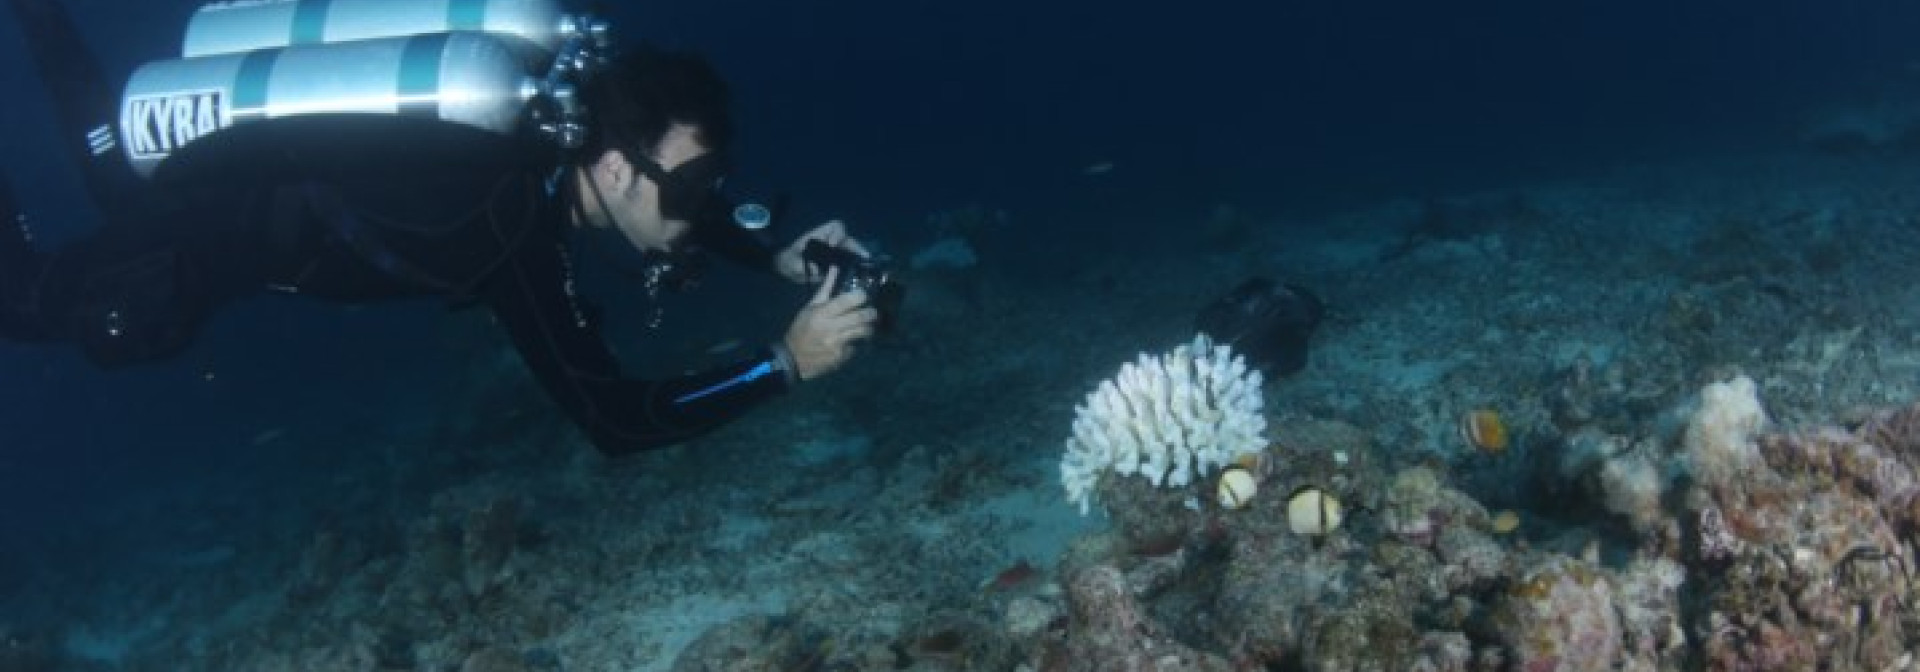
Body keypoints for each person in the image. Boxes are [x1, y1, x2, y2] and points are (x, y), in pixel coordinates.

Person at [0, 7, 879, 457]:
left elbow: (668, 201)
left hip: (213, 170)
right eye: (696, 187)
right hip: (179, 247)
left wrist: (771, 251)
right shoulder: (501, 220)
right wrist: (784, 363)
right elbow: (616, 423)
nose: (706, 207)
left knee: (108, 163)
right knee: (37, 301)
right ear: (611, 167)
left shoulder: (567, 111)